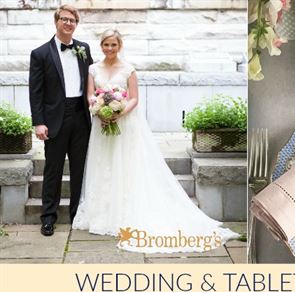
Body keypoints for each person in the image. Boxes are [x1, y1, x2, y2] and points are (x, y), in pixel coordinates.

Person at [72, 30, 238, 253]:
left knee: (125, 164)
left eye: (113, 45)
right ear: (101, 46)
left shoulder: (128, 69)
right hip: (101, 126)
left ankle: (124, 209)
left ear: (119, 45)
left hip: (124, 124)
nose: (109, 49)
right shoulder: (93, 69)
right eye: (106, 45)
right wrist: (99, 109)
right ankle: (102, 211)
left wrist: (117, 114)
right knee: (103, 164)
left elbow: (134, 98)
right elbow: (90, 95)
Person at [29, 5, 93, 236]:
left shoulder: (84, 49)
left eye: (72, 20)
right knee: (53, 171)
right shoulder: (40, 53)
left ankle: (77, 214)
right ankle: (48, 217)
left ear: (76, 24)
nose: (68, 23)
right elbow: (35, 92)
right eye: (64, 19)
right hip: (55, 119)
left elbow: (91, 82)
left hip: (81, 117)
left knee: (79, 170)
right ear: (56, 22)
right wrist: (39, 122)